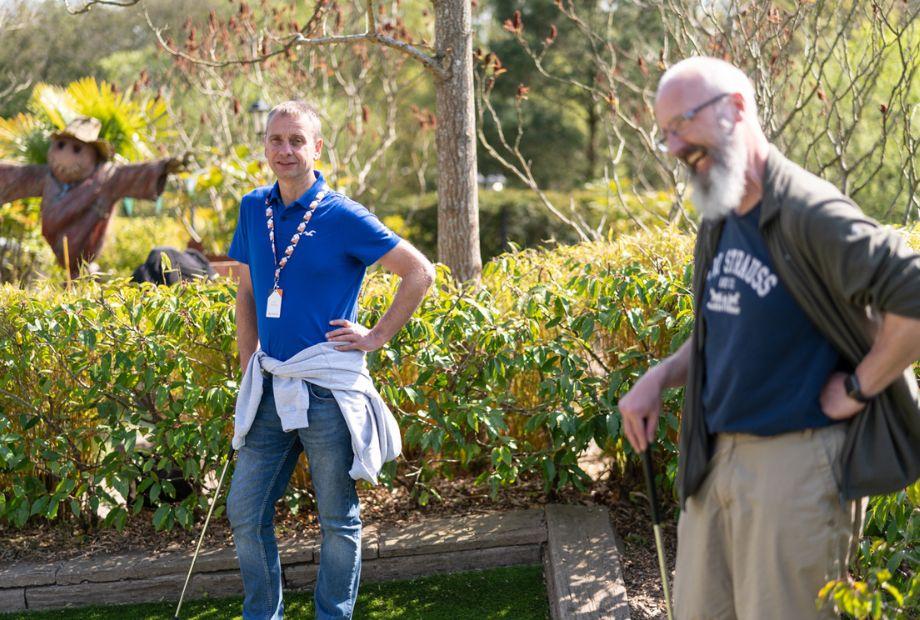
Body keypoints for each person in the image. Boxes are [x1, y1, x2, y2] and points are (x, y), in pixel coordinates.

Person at [617, 57, 920, 619]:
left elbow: (914, 296)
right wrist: (661, 376)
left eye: (681, 124)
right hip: (715, 463)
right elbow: (721, 328)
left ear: (736, 108)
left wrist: (857, 387)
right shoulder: (721, 209)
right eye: (665, 134)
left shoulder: (810, 211)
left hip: (796, 467)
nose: (673, 146)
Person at [225, 100, 435, 620]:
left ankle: (331, 615)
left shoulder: (342, 214)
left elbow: (419, 272)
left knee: (338, 519)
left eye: (297, 141)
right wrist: (249, 359)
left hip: (327, 390)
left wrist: (377, 335)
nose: (286, 150)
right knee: (245, 512)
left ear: (318, 148)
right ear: (265, 146)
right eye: (277, 140)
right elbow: (247, 288)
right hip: (270, 385)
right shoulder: (254, 207)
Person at [0, 116, 184, 276]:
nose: (65, 155)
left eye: (76, 149)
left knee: (81, 273)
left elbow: (134, 173)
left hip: (84, 249)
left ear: (94, 155)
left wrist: (164, 167)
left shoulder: (107, 179)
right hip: (57, 247)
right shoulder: (46, 177)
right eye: (61, 145)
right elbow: (17, 176)